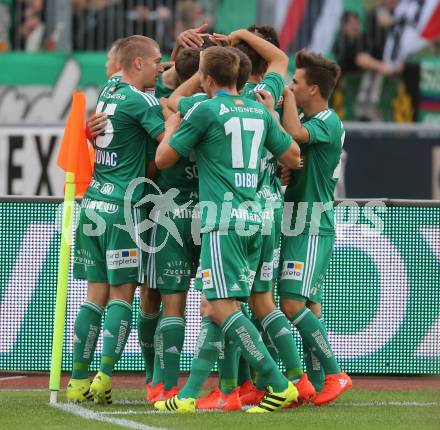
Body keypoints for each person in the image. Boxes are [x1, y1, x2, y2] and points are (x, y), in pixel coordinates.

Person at [153, 45, 301, 413]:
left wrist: (172, 126)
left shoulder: (204, 109)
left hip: (224, 221)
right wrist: (273, 116)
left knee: (220, 306)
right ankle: (188, 396)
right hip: (257, 221)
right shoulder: (259, 110)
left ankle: (280, 384)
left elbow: (163, 158)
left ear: (205, 78)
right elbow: (294, 157)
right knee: (221, 306)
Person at [66, 35, 165, 404]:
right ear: (138, 63)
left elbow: (123, 65)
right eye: (156, 60)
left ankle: (77, 380)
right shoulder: (141, 101)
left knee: (94, 298)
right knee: (123, 297)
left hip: (94, 204)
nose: (161, 64)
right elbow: (166, 138)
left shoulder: (110, 87)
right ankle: (105, 376)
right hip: (125, 208)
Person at [279, 50, 352, 406]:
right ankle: (320, 383)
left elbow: (292, 131)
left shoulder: (327, 120)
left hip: (310, 225)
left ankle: (335, 373)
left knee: (292, 305)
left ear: (313, 89)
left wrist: (281, 102)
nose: (290, 86)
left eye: (296, 82)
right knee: (309, 305)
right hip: (299, 222)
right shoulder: (318, 119)